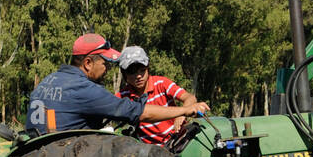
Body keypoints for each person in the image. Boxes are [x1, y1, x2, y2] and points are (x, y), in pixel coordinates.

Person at [25, 33, 206, 135]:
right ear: (88, 63)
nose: (106, 69)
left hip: (48, 153)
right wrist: (184, 110)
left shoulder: (48, 81)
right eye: (104, 63)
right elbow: (138, 112)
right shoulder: (84, 89)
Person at [116, 45, 207, 145]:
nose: (138, 76)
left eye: (142, 70)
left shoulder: (161, 83)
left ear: (148, 69)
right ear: (125, 75)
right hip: (151, 151)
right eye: (132, 72)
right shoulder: (122, 97)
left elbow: (189, 97)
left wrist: (182, 114)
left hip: (179, 140)